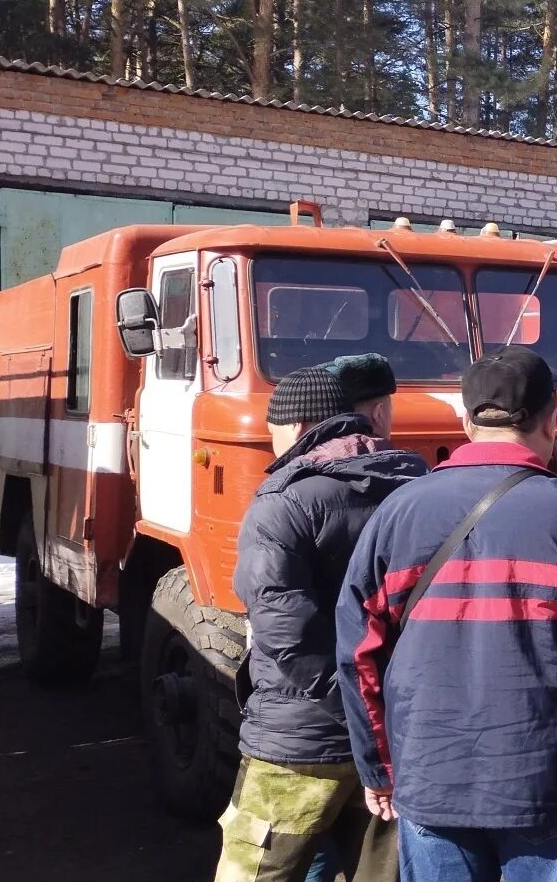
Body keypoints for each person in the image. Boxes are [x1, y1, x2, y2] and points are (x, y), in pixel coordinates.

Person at [335, 347, 557, 880]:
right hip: (548, 775)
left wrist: (377, 767)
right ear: (552, 418)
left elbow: (358, 653)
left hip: (431, 772)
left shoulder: (398, 511)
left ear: (466, 422)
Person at [221, 358, 428, 882]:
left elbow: (284, 626)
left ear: (296, 427)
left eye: (273, 432)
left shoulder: (283, 501)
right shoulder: (420, 485)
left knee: (258, 871)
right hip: (399, 736)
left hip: (299, 741)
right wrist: (377, 714)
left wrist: (349, 704)